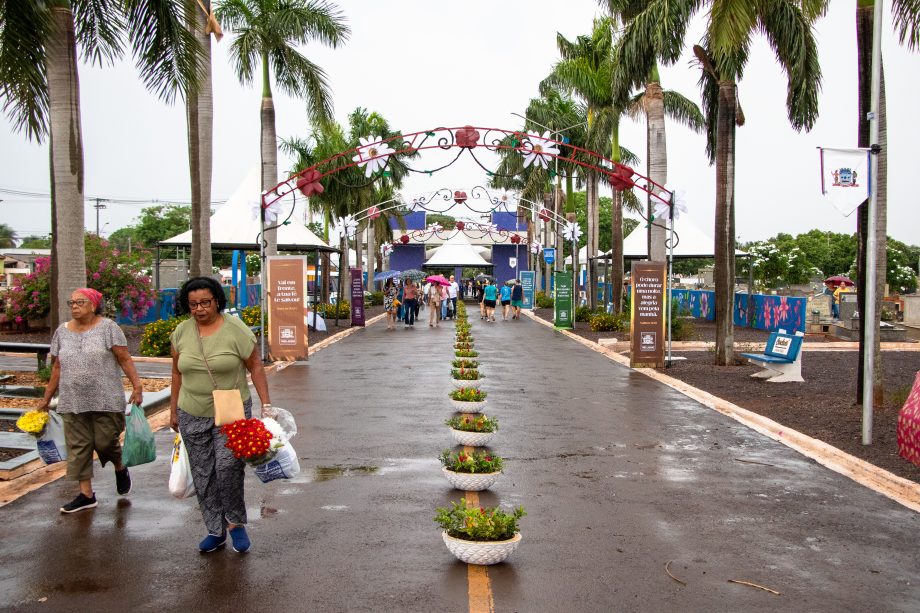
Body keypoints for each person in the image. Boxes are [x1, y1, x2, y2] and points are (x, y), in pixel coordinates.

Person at [169, 277, 272, 553]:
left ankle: (236, 524)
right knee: (204, 474)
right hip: (192, 410)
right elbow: (177, 372)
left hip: (231, 410)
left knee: (228, 469)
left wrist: (267, 405)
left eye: (205, 302)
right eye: (193, 304)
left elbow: (256, 367)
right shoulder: (181, 332)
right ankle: (215, 529)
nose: (200, 309)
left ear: (217, 301)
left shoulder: (235, 330)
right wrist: (173, 409)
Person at [39, 288, 144, 514]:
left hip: (106, 399)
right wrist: (46, 398)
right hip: (72, 400)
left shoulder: (109, 328)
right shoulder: (62, 332)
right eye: (72, 302)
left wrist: (137, 386)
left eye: (80, 302)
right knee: (79, 448)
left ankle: (119, 465)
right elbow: (57, 367)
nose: (74, 306)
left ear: (94, 305)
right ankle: (86, 495)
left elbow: (124, 359)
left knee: (105, 442)